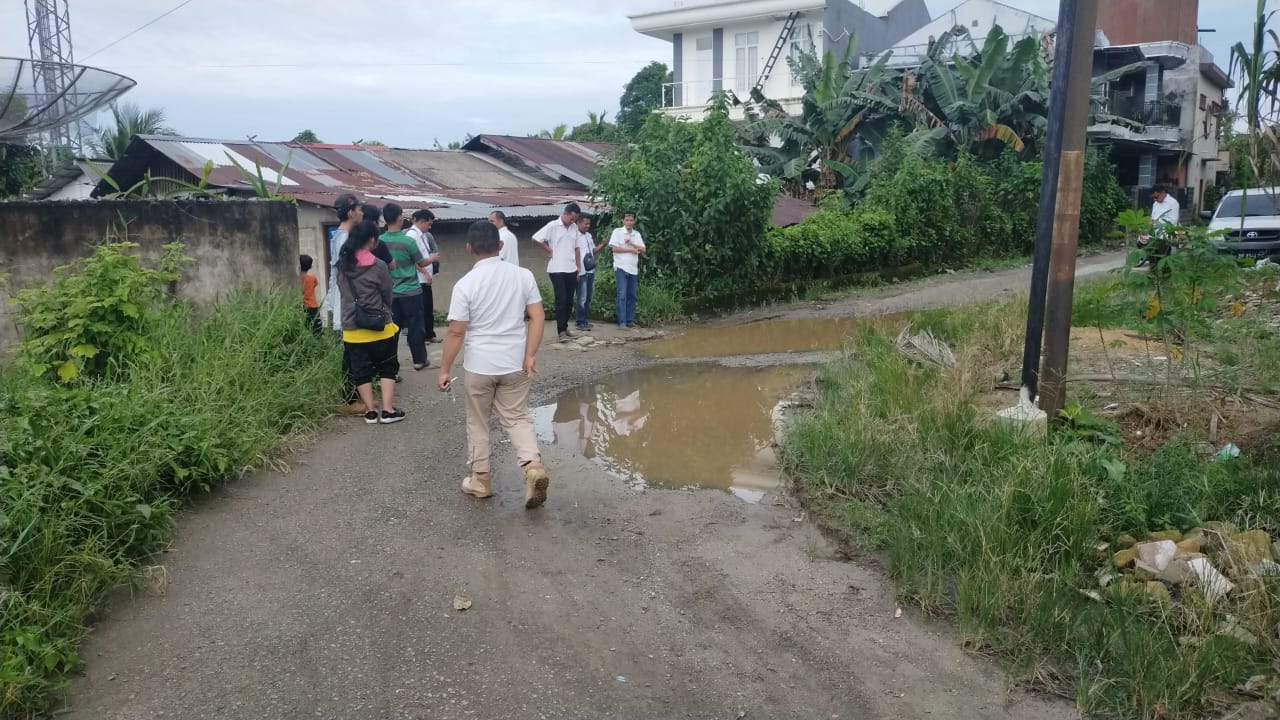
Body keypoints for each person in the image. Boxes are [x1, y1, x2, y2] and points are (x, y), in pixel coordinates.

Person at [438, 220, 551, 509]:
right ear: (500, 246)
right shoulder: (523, 275)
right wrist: (530, 354)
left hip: (480, 365)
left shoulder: (465, 284)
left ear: (468, 249)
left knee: (478, 421)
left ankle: (481, 479)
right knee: (517, 417)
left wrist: (445, 370)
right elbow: (537, 317)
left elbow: (456, 331)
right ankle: (532, 467)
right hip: (514, 362)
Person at [336, 220, 405, 424]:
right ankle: (388, 411)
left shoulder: (342, 265)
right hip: (379, 326)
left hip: (352, 327)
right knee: (387, 367)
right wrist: (383, 309)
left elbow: (342, 291)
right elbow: (387, 293)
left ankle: (370, 412)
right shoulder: (378, 265)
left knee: (361, 370)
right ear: (372, 240)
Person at [379, 203, 433, 370]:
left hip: (390, 294)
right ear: (399, 218)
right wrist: (433, 258)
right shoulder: (408, 241)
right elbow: (421, 262)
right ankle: (419, 360)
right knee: (416, 327)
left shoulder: (379, 242)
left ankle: (391, 366)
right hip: (411, 291)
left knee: (392, 330)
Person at [533, 203, 582, 342]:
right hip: (557, 269)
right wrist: (548, 250)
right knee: (561, 299)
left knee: (569, 300)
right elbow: (536, 238)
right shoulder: (553, 226)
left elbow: (577, 248)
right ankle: (560, 331)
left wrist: (579, 268)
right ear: (565, 214)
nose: (572, 222)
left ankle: (565, 327)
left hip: (571, 268)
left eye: (575, 220)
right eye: (571, 219)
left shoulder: (574, 228)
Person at [324, 193, 362, 332]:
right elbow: (346, 271)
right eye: (359, 209)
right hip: (346, 298)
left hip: (341, 297)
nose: (361, 213)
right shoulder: (345, 239)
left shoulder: (339, 235)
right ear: (351, 213)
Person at [407, 209, 443, 344]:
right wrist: (426, 272)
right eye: (428, 224)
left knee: (428, 308)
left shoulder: (422, 235)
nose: (429, 227)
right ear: (421, 222)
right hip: (419, 278)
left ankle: (429, 333)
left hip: (425, 278)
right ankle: (421, 336)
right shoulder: (412, 236)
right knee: (420, 310)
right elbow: (412, 259)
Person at [609, 211, 646, 329]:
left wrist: (632, 244)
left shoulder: (637, 234)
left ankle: (630, 320)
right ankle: (622, 322)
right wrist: (630, 250)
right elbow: (614, 249)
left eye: (631, 220)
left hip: (633, 269)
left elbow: (643, 249)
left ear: (634, 221)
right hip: (621, 267)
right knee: (622, 295)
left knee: (632, 295)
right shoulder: (617, 232)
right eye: (627, 220)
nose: (629, 222)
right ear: (623, 221)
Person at [574, 216, 607, 332]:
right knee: (581, 297)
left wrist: (602, 244)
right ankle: (580, 321)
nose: (587, 226)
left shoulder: (588, 236)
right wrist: (576, 269)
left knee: (588, 297)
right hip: (581, 271)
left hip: (590, 270)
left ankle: (585, 320)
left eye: (589, 224)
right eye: (585, 224)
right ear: (578, 223)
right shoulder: (574, 236)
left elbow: (592, 251)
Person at [300, 254, 322, 335]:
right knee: (316, 329)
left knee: (305, 327)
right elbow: (315, 285)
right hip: (313, 305)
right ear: (310, 266)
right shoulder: (312, 278)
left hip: (303, 306)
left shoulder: (297, 279)